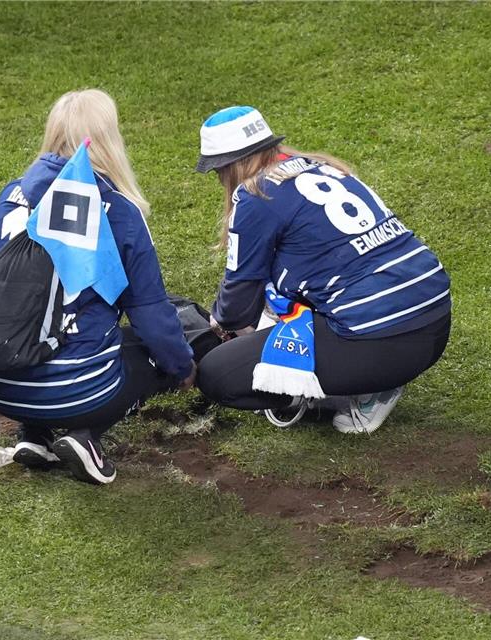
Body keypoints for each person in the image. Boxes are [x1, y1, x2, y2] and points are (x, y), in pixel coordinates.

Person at [0, 89, 197, 485]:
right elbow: (151, 317)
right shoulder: (120, 211)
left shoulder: (11, 196)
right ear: (107, 141)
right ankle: (86, 436)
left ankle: (34, 433)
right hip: (77, 391)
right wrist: (184, 368)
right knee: (150, 353)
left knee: (50, 321)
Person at [193, 106, 450, 433]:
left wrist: (220, 320)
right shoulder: (323, 166)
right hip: (435, 323)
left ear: (228, 166)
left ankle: (362, 391)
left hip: (381, 342)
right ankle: (371, 378)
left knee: (218, 374)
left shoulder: (255, 193)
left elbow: (237, 308)